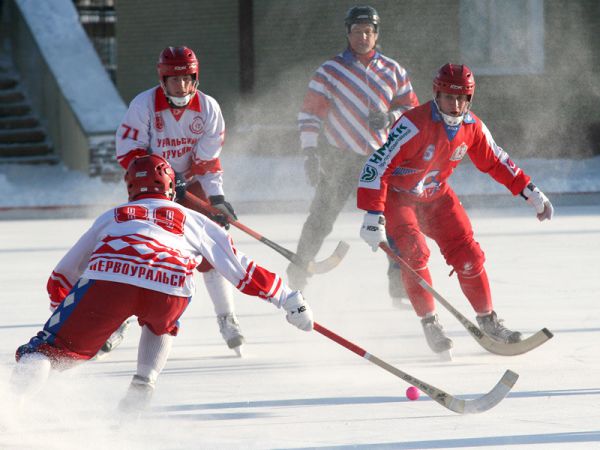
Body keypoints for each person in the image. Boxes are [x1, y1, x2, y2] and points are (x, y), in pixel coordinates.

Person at [12, 155, 314, 413]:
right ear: (171, 186)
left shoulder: (113, 215)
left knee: (43, 353)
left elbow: (63, 274)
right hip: (170, 286)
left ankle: (11, 409)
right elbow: (240, 269)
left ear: (130, 187)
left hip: (111, 281)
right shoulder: (193, 218)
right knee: (162, 323)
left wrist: (65, 314)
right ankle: (144, 382)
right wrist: (288, 299)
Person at [357, 63, 554, 356]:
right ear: (436, 94)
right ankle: (430, 321)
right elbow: (377, 164)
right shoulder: (414, 124)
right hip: (400, 198)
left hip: (437, 198)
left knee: (469, 256)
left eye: (463, 98)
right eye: (449, 96)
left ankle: (488, 320)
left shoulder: (472, 126)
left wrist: (530, 191)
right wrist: (373, 214)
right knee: (414, 253)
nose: (456, 104)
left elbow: (496, 160)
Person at [113, 45, 246, 355]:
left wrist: (217, 199)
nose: (182, 86)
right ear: (163, 80)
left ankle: (228, 318)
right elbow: (129, 153)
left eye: (187, 79)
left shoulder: (208, 107)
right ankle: (121, 319)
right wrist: (165, 179)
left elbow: (208, 160)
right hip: (151, 185)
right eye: (175, 80)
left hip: (193, 185)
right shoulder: (143, 105)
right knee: (145, 250)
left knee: (213, 247)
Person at [288, 5, 419, 308]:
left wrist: (389, 117)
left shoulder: (393, 70)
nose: (363, 37)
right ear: (348, 33)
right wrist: (309, 152)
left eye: (369, 31)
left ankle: (399, 284)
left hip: (379, 159)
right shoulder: (330, 71)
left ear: (376, 34)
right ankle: (297, 277)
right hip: (338, 157)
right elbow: (309, 115)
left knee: (394, 219)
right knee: (320, 218)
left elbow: (412, 110)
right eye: (357, 31)